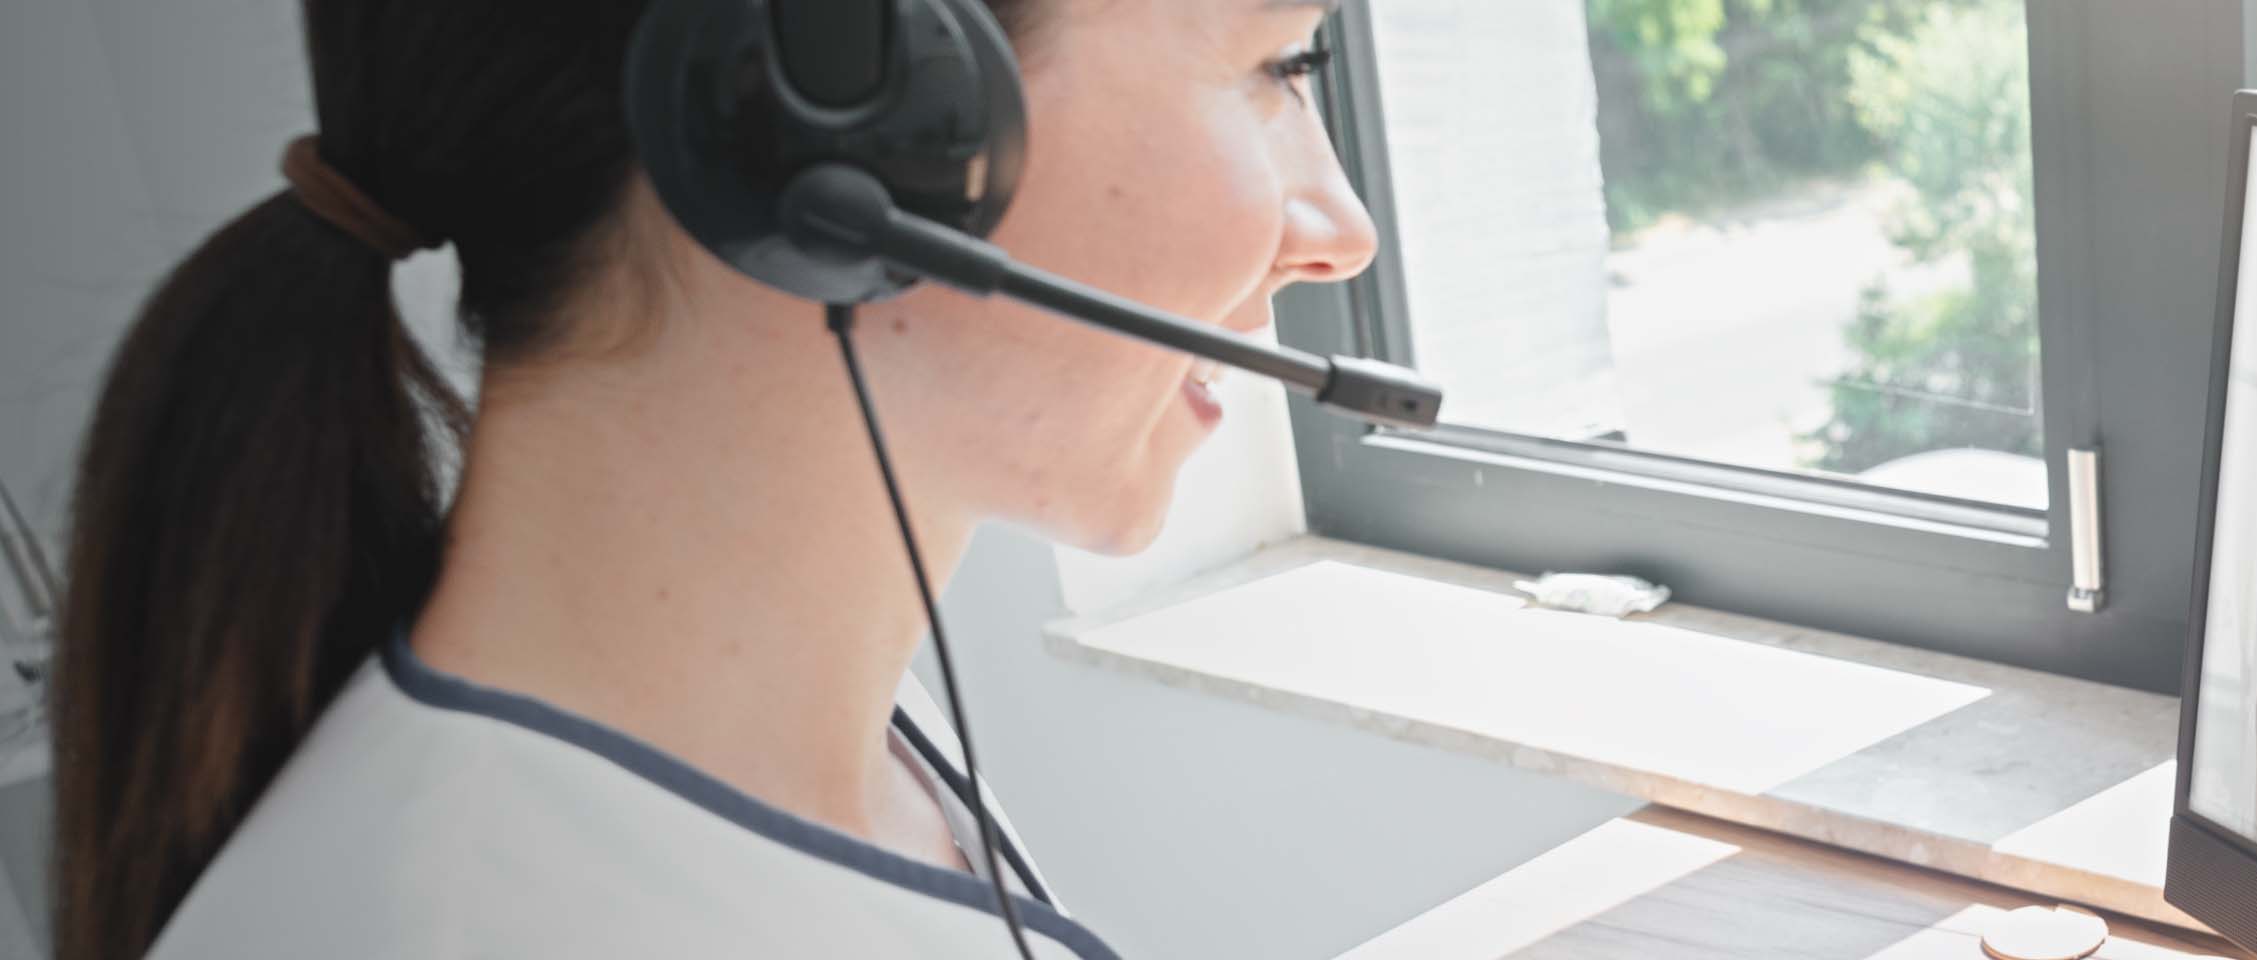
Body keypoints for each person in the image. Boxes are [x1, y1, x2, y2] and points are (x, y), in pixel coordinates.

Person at [50, 1, 1375, 956]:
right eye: (1277, 61)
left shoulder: (827, 737)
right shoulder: (450, 924)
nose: (1345, 234)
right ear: (843, 104)